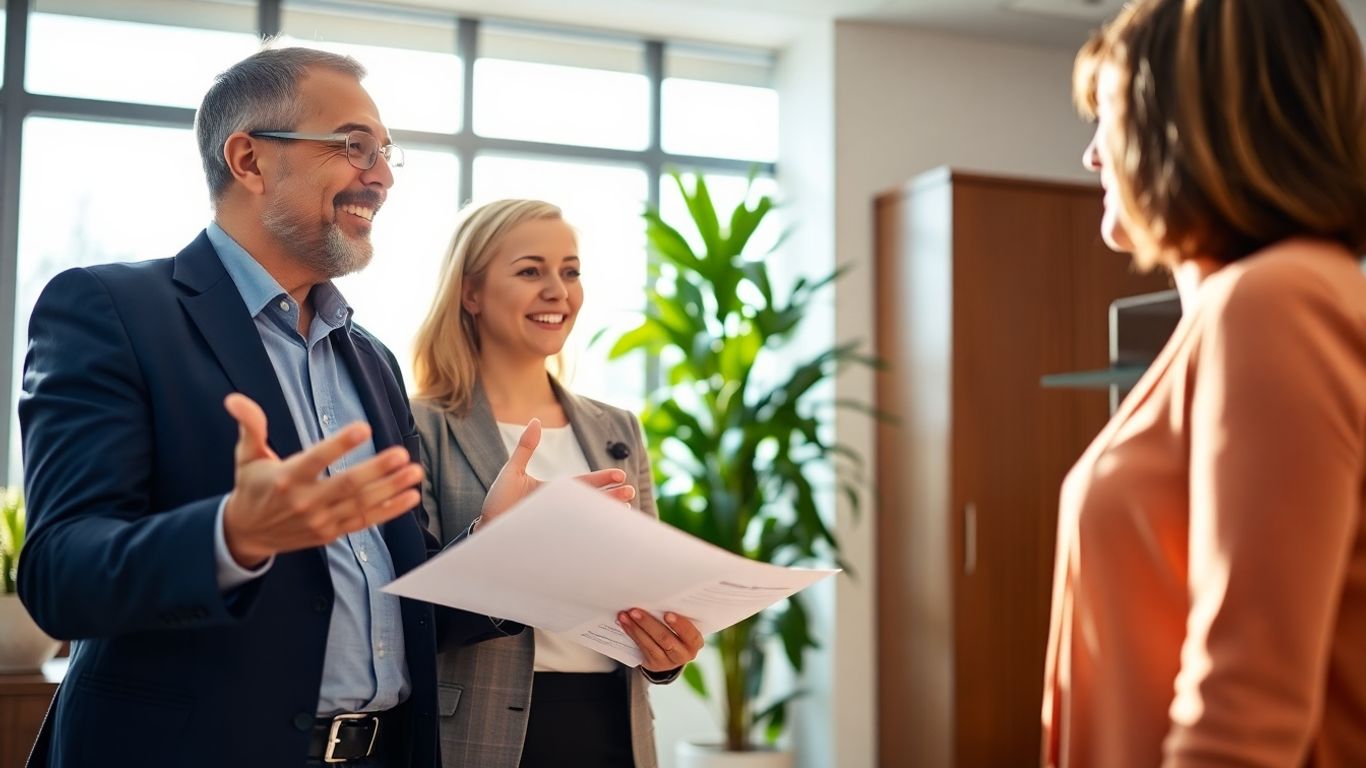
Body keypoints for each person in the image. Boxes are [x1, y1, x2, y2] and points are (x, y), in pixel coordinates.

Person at [16, 48, 632, 768]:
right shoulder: (111, 309)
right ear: (249, 160)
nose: (380, 175)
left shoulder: (368, 358)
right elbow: (60, 575)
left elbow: (403, 606)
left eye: (386, 153)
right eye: (352, 146)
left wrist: (496, 549)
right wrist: (232, 535)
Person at [1042, 1, 1366, 765]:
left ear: (1187, 123)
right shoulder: (1237, 312)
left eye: (1110, 117)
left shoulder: (1277, 302)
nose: (1092, 157)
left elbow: (1243, 708)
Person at [409, 199, 704, 768]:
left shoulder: (617, 428)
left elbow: (652, 586)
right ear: (470, 292)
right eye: (530, 270)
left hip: (612, 728)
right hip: (480, 733)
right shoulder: (419, 425)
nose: (557, 290)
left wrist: (666, 652)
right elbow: (409, 610)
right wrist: (507, 539)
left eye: (570, 271)